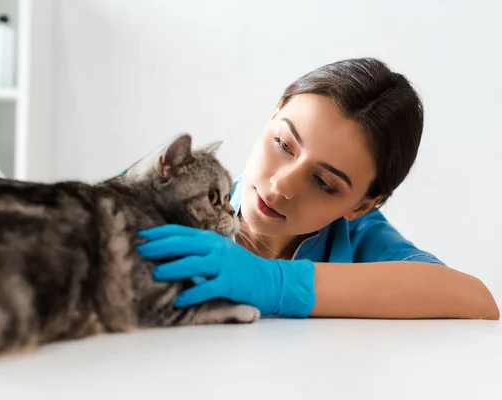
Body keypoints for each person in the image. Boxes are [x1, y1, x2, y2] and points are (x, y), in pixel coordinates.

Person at [136, 57, 500, 320]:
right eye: (283, 144)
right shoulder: (167, 189)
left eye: (324, 183)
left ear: (363, 204)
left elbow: (477, 300)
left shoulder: (360, 238)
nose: (281, 185)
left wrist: (274, 284)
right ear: (276, 111)